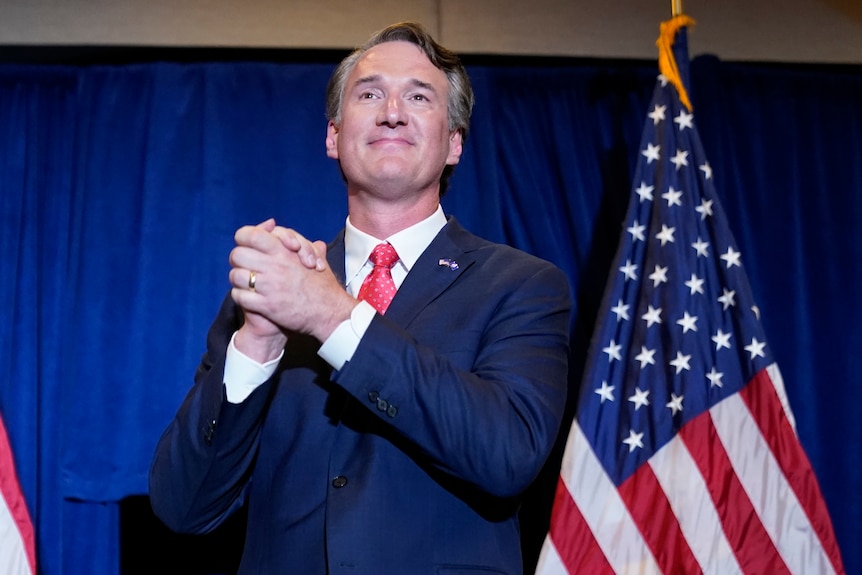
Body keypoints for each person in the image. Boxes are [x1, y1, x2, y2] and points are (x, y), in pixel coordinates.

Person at [149, 21, 572, 575]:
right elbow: (184, 508)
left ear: (454, 143)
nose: (391, 110)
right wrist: (257, 343)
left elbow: (508, 455)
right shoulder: (271, 292)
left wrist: (331, 314)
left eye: (419, 97)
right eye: (369, 93)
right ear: (333, 136)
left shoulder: (522, 285)